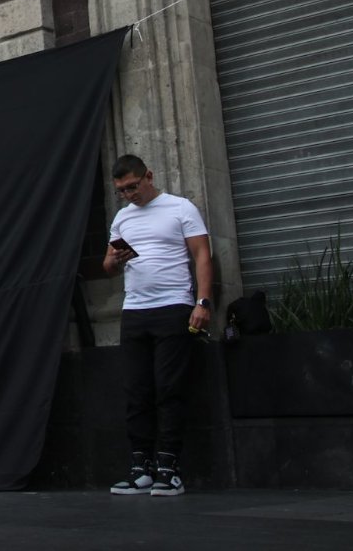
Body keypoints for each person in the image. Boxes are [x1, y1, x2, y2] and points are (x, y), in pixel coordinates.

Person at [102, 155, 214, 497]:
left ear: (148, 176)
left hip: (173, 307)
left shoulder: (180, 208)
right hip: (135, 310)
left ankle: (169, 468)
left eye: (133, 186)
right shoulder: (122, 218)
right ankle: (141, 468)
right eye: (122, 190)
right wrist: (114, 260)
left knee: (169, 389)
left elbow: (202, 256)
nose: (129, 195)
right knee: (136, 392)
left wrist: (203, 302)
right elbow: (107, 264)